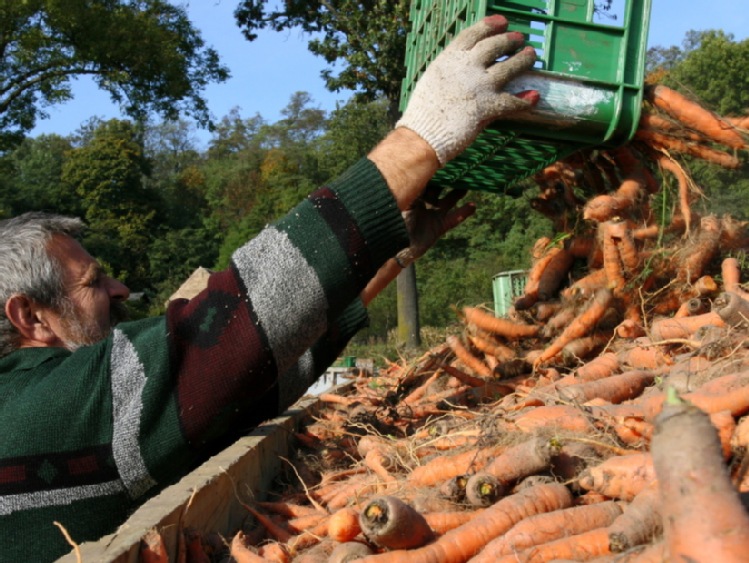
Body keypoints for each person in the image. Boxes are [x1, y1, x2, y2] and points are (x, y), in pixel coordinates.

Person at [0, 15, 538, 561]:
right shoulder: (40, 411)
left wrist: (392, 252)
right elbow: (220, 336)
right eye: (93, 282)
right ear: (31, 317)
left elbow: (245, 379)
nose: (119, 289)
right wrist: (422, 139)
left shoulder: (69, 411)